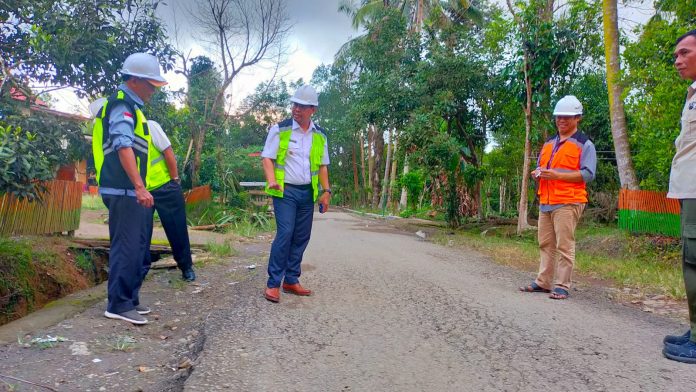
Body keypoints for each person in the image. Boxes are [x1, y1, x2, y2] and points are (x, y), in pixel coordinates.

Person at [92, 52, 166, 325]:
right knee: (126, 246)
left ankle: (130, 299)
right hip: (124, 189)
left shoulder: (132, 108)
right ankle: (118, 304)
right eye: (151, 85)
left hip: (129, 190)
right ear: (134, 80)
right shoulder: (121, 106)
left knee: (137, 246)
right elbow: (123, 146)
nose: (153, 91)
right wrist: (139, 186)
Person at [519, 95, 596, 300]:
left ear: (577, 118)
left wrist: (558, 175)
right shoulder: (549, 143)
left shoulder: (584, 144)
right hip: (547, 200)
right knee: (545, 243)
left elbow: (588, 173)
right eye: (558, 117)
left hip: (569, 201)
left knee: (564, 245)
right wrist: (538, 173)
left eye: (567, 117)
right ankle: (543, 282)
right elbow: (543, 166)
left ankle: (562, 285)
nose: (561, 120)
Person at [260, 85, 331, 303]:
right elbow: (267, 158)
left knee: (302, 236)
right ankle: (273, 283)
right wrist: (272, 180)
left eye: (301, 106)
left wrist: (326, 191)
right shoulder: (280, 130)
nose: (296, 109)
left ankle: (291, 279)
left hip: (306, 193)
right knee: (286, 233)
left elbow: (322, 166)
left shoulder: (319, 135)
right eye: (294, 104)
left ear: (313, 110)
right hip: (284, 191)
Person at [663, 29, 696, 364]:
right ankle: (694, 329)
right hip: (689, 188)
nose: (678, 60)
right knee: (691, 260)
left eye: (684, 52)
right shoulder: (692, 95)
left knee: (695, 261)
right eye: (676, 55)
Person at [142, 120, 196, 282]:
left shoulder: (150, 127)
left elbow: (168, 151)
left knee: (177, 229)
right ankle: (140, 270)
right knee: (141, 233)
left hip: (165, 185)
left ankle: (186, 266)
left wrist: (174, 179)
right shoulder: (125, 131)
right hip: (142, 190)